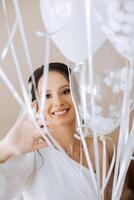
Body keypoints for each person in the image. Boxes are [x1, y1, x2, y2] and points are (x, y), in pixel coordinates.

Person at [0, 62, 109, 200]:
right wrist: (5, 147)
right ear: (36, 107)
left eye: (66, 91)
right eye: (47, 96)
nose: (58, 102)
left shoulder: (97, 148)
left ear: (79, 96)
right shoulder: (30, 154)